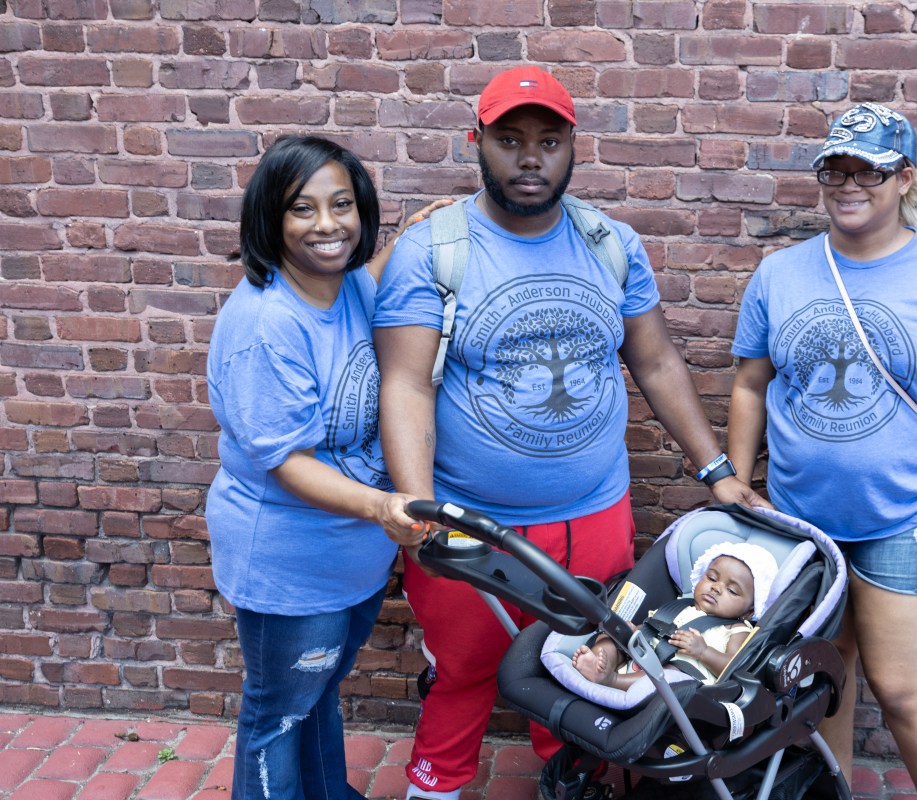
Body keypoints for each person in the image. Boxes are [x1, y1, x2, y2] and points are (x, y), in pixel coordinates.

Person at [372, 65, 766, 800]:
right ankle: (436, 788)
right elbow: (405, 382)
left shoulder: (609, 243)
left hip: (594, 517)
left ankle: (574, 784)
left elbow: (655, 359)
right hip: (470, 524)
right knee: (463, 674)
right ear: (477, 142)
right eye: (511, 140)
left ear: (572, 147)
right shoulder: (434, 250)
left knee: (587, 669)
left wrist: (717, 470)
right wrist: (421, 509)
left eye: (548, 142)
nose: (530, 158)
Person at [726, 103, 917, 800]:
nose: (849, 186)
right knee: (824, 677)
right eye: (836, 171)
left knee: (898, 684)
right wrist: (736, 483)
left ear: (904, 177)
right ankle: (837, 792)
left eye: (869, 172)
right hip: (801, 515)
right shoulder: (781, 274)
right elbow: (750, 384)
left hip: (905, 514)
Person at [205, 135, 428, 800]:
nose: (328, 224)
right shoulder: (265, 325)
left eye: (342, 204)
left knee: (320, 692)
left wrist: (411, 239)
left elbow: (371, 277)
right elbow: (287, 464)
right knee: (279, 712)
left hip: (350, 557)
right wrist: (382, 505)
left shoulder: (348, 283)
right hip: (291, 565)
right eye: (303, 208)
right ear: (270, 218)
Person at [572, 542, 777, 689]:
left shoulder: (737, 630)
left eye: (731, 590)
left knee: (672, 674)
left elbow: (735, 666)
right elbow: (652, 629)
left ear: (749, 611)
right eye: (712, 578)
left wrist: (703, 652)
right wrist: (634, 632)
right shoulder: (679, 606)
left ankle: (611, 681)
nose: (716, 588)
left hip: (679, 681)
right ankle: (598, 664)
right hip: (641, 659)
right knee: (611, 637)